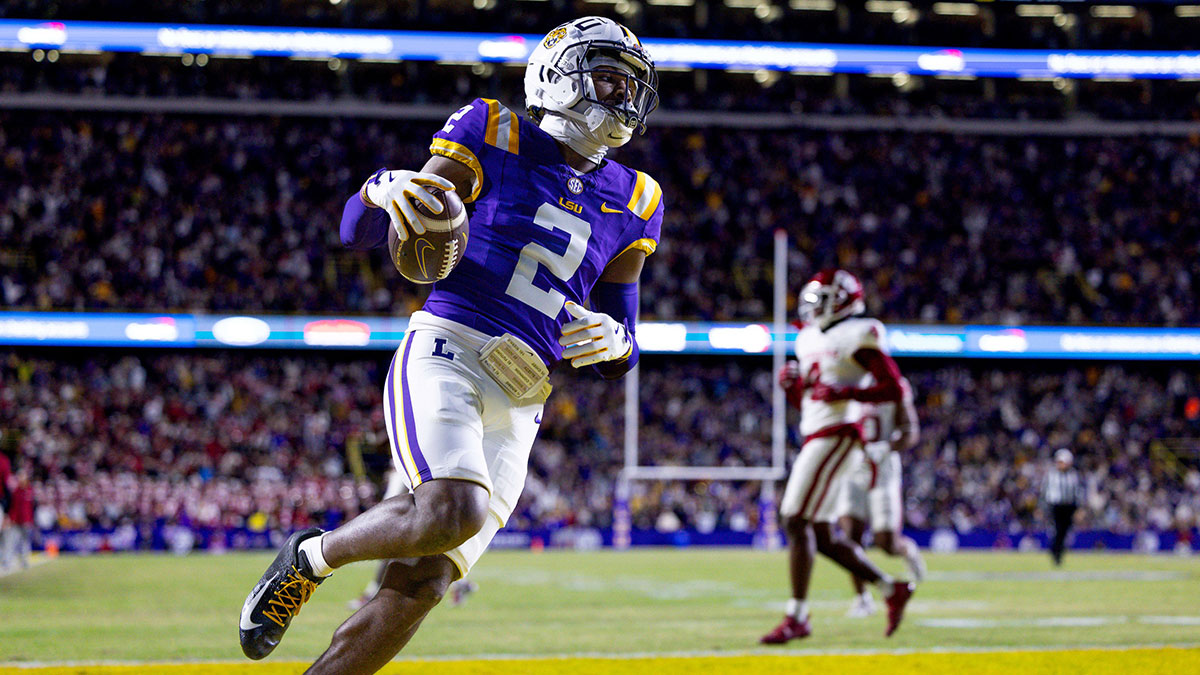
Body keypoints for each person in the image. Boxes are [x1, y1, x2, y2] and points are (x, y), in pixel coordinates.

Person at [238, 17, 662, 674]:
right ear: (559, 75)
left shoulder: (638, 196)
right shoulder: (493, 128)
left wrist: (618, 342)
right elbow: (358, 233)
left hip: (525, 396)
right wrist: (380, 188)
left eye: (631, 85)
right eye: (607, 77)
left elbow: (624, 335)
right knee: (452, 507)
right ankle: (309, 558)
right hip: (451, 346)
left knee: (423, 584)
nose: (622, 97)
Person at [761, 269, 915, 644]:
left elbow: (892, 387)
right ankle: (890, 587)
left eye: (821, 297)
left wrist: (848, 395)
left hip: (840, 434)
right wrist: (792, 390)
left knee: (794, 519)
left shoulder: (858, 332)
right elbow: (812, 401)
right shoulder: (808, 337)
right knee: (819, 532)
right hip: (817, 431)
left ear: (843, 299)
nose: (813, 305)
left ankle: (797, 616)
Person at [834, 377, 925, 618]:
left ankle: (907, 550)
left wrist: (887, 446)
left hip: (884, 467)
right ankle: (862, 598)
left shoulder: (894, 384)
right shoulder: (845, 376)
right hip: (853, 466)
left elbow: (910, 430)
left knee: (885, 541)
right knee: (850, 537)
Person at [1043, 448, 1085, 566]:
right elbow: (1044, 491)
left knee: (1064, 531)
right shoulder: (1051, 474)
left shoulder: (1073, 475)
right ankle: (1055, 552)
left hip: (1069, 506)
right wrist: (1042, 507)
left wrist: (1079, 508)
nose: (1060, 464)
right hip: (1055, 506)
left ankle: (1057, 552)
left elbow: (1078, 492)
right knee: (1056, 530)